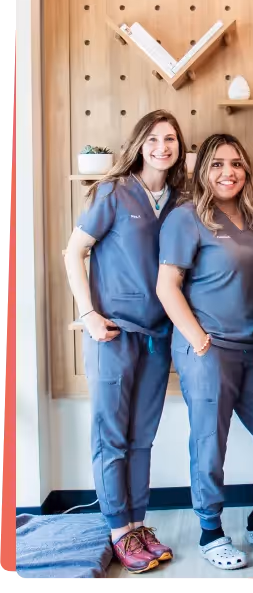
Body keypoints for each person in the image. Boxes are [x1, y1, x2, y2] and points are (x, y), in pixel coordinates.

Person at [156, 133, 253, 571]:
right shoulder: (186, 219)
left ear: (246, 170)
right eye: (216, 164)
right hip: (208, 348)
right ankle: (210, 531)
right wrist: (198, 339)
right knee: (210, 444)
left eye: (235, 163)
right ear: (201, 172)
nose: (227, 172)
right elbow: (167, 286)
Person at [64, 110, 187, 573]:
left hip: (157, 336)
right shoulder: (113, 192)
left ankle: (137, 523)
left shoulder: (179, 202)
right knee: (111, 436)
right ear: (138, 144)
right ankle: (119, 530)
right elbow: (74, 252)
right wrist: (88, 315)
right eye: (153, 138)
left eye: (170, 139)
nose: (162, 147)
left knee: (142, 438)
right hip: (112, 333)